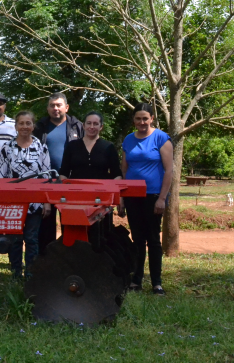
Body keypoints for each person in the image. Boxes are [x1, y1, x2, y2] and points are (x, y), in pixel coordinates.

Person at [121, 103, 173, 295]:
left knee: (153, 239)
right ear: (134, 120)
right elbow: (124, 170)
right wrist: (122, 199)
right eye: (138, 118)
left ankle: (156, 282)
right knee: (137, 239)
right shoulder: (128, 140)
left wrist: (162, 198)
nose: (142, 122)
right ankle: (136, 280)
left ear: (151, 118)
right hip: (133, 196)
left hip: (153, 196)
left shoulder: (161, 138)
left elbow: (169, 171)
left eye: (145, 118)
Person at [0, 110, 52, 280]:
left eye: (28, 123)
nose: (25, 127)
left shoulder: (41, 147)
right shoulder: (7, 148)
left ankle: (31, 275)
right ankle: (15, 274)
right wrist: (3, 201)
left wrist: (47, 202)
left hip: (35, 202)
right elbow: (1, 176)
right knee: (14, 240)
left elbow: (47, 176)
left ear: (33, 126)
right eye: (21, 123)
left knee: (32, 239)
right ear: (16, 126)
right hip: (13, 203)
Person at [58, 110, 123, 239]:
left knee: (101, 235)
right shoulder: (72, 146)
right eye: (89, 123)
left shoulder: (108, 147)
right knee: (74, 233)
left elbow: (117, 174)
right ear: (83, 125)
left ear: (101, 127)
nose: (92, 127)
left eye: (95, 124)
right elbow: (64, 173)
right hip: (75, 197)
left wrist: (119, 198)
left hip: (102, 199)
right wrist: (63, 197)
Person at [33, 92, 84, 254]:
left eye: (59, 105)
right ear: (48, 108)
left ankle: (69, 258)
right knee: (45, 222)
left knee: (69, 222)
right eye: (52, 105)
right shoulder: (40, 127)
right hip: (45, 182)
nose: (55, 108)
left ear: (66, 107)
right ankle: (46, 259)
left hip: (70, 182)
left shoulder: (77, 126)